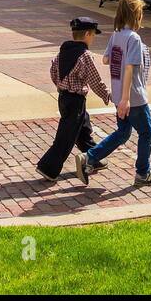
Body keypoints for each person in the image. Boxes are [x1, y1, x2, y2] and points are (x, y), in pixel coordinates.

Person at [75, 0, 151, 186]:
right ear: (135, 15)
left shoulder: (116, 36)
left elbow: (106, 60)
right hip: (133, 97)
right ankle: (143, 173)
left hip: (117, 94)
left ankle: (90, 157)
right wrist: (126, 99)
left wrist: (121, 95)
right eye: (140, 13)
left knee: (123, 133)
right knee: (147, 133)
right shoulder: (134, 38)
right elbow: (130, 68)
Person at [35, 17, 111, 181]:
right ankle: (48, 167)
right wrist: (106, 94)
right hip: (76, 100)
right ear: (87, 34)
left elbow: (53, 71)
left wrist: (60, 86)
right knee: (66, 136)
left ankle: (94, 157)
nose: (93, 38)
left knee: (83, 130)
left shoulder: (63, 52)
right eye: (93, 35)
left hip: (64, 97)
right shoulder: (85, 55)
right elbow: (95, 80)